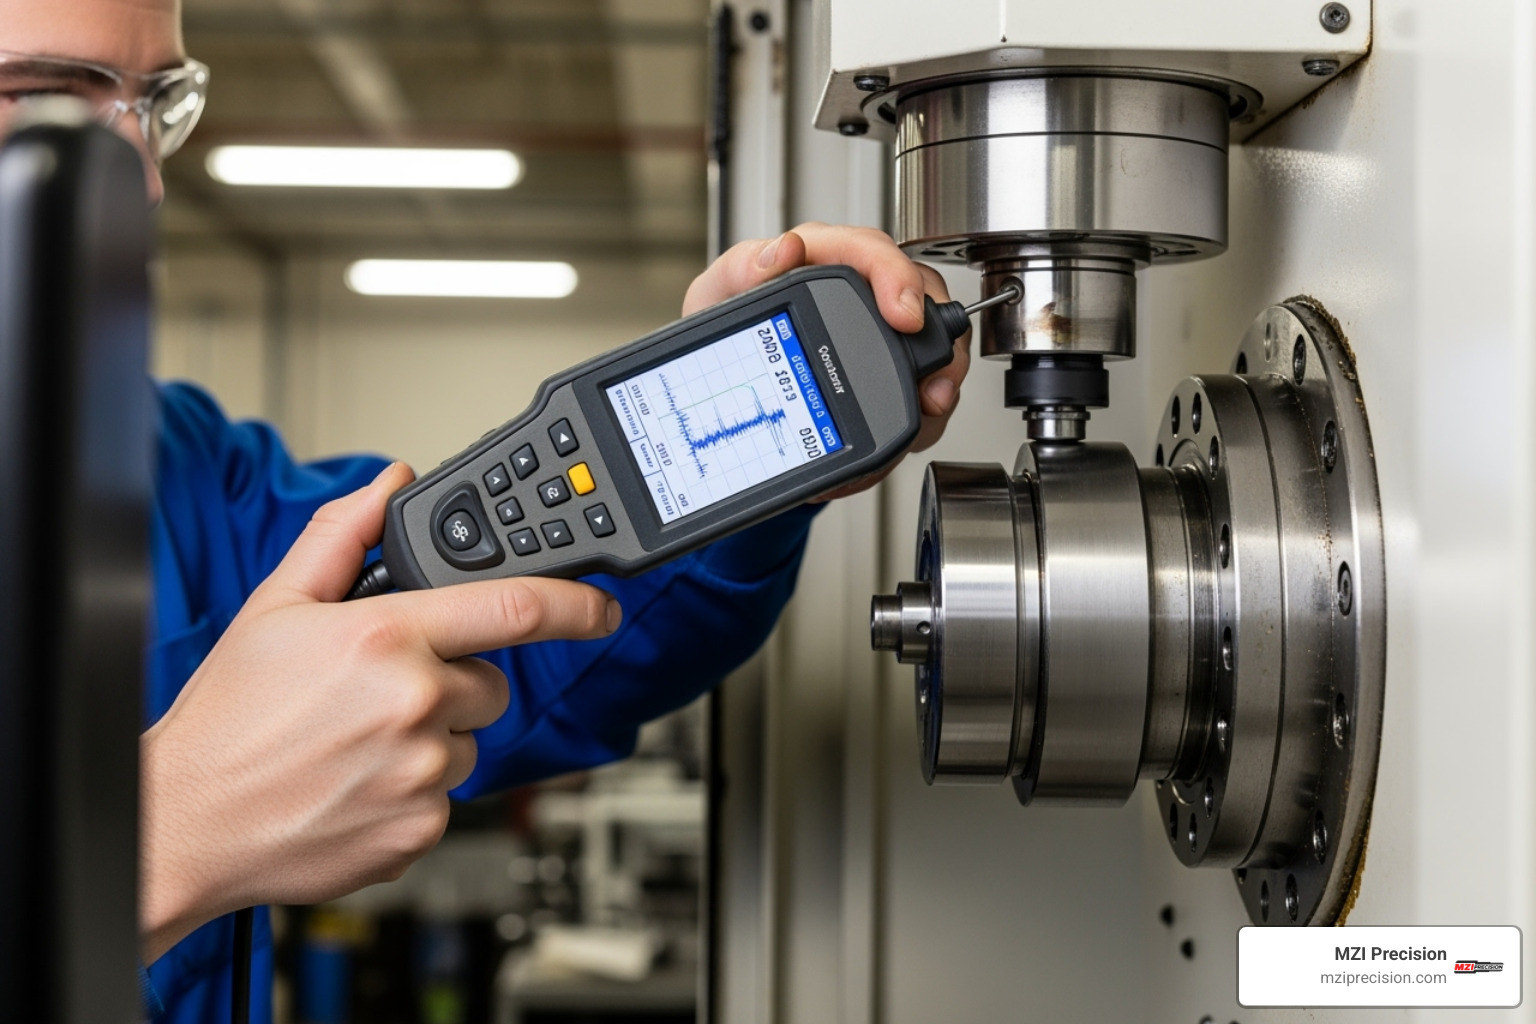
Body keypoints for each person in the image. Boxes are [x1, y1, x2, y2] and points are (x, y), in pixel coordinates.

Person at [1, 2, 972, 1021]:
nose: (146, 183)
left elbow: (525, 644)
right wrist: (165, 838)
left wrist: (731, 468)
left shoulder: (168, 466)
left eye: (157, 104)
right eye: (57, 98)